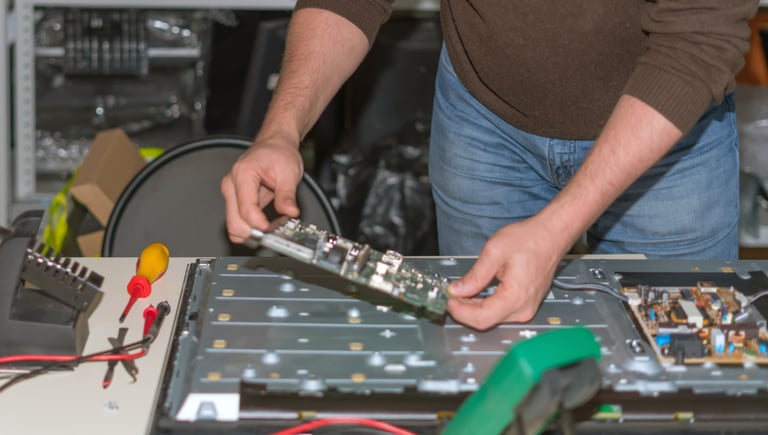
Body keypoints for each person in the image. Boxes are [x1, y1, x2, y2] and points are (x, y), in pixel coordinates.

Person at [222, 1, 758, 330]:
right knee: (487, 360)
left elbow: (700, 37)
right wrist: (280, 132)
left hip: (668, 144)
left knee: (680, 388)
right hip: (485, 120)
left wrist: (556, 230)